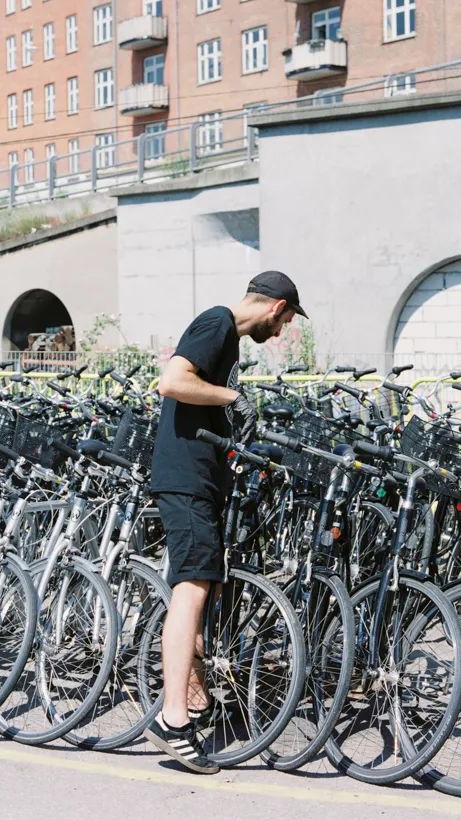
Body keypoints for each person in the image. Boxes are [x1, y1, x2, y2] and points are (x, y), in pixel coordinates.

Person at [144, 271, 307, 774]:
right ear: (276, 308)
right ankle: (173, 718)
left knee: (203, 588)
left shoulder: (227, 341)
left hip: (200, 480)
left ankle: (193, 700)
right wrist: (233, 398)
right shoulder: (216, 323)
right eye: (284, 324)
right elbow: (171, 381)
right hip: (186, 481)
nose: (279, 334)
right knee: (191, 588)